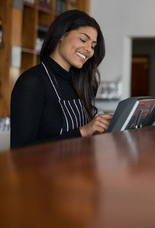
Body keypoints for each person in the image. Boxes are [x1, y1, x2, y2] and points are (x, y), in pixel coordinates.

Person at [11, 9, 113, 148]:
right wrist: (84, 131)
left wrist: (97, 131)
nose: (89, 49)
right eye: (83, 39)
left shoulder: (79, 83)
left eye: (93, 46)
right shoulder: (32, 82)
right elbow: (20, 150)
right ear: (62, 35)